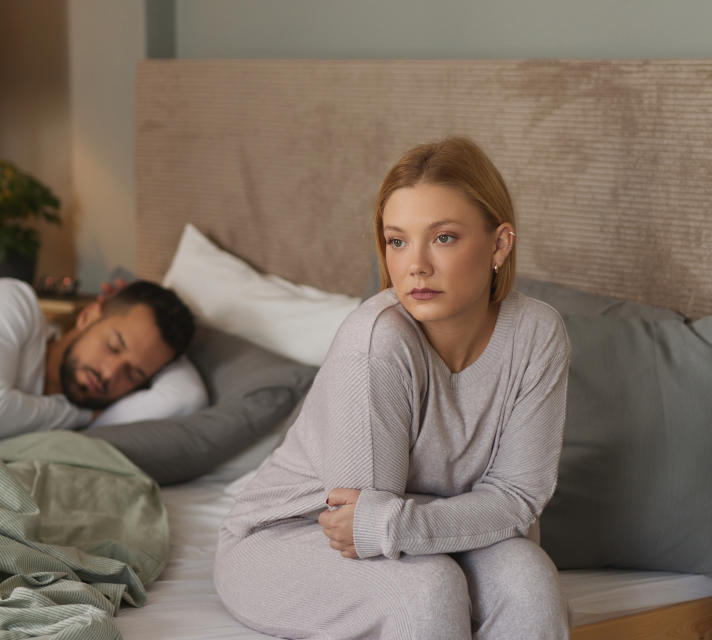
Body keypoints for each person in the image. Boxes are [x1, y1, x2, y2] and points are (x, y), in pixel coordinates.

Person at [214, 137, 571, 639]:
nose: (415, 265)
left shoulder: (537, 333)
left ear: (499, 244)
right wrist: (403, 522)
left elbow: (516, 499)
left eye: (443, 237)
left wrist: (400, 523)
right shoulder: (376, 342)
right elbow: (359, 523)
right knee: (426, 589)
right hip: (292, 536)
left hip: (414, 528)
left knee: (530, 580)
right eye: (397, 240)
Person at [0, 277, 205, 441]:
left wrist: (159, 358)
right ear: (88, 316)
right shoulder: (14, 302)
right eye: (114, 346)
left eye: (133, 373)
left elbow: (186, 397)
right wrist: (83, 415)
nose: (109, 373)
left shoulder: (66, 424)